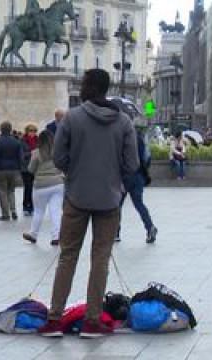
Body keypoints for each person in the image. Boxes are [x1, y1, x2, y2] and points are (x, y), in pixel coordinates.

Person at [38, 69, 139, 338]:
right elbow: (132, 165)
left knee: (67, 257)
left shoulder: (72, 117)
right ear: (106, 88)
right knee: (100, 260)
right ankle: (92, 321)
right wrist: (112, 175)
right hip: (108, 200)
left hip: (76, 198)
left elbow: (58, 158)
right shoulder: (124, 122)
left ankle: (54, 319)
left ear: (87, 87)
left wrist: (77, 171)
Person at [118, 120, 158, 244]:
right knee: (139, 204)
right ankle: (150, 226)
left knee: (117, 205)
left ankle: (115, 232)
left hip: (124, 176)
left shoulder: (121, 138)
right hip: (138, 176)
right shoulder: (140, 139)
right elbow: (147, 158)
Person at [23, 131, 64, 246]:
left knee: (39, 211)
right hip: (57, 184)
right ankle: (56, 236)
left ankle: (33, 234)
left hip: (40, 186)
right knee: (55, 211)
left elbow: (30, 169)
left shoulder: (36, 153)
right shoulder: (58, 152)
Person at [0, 121, 25, 221]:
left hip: (0, 170)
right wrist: (19, 168)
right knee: (11, 191)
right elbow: (21, 158)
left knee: (2, 192)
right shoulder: (17, 142)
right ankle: (13, 211)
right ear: (10, 129)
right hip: (13, 170)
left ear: (1, 129)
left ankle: (5, 214)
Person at [21, 123, 39, 216]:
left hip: (36, 167)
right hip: (26, 167)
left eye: (34, 131)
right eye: (31, 131)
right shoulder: (23, 141)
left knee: (34, 187)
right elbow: (22, 155)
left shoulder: (38, 140)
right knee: (28, 187)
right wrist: (31, 153)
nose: (33, 133)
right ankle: (26, 206)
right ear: (27, 131)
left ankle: (32, 206)